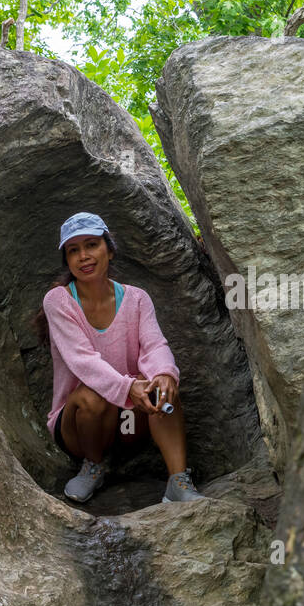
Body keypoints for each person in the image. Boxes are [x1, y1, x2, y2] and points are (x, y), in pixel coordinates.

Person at [34, 211, 204, 504]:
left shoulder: (137, 298)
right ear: (67, 261)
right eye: (73, 251)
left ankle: (177, 482)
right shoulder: (59, 300)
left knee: (163, 384)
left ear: (109, 250)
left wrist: (163, 373)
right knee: (92, 396)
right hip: (80, 427)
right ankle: (93, 465)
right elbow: (82, 359)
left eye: (91, 245)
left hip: (128, 424)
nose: (84, 256)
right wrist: (127, 388)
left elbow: (154, 345)